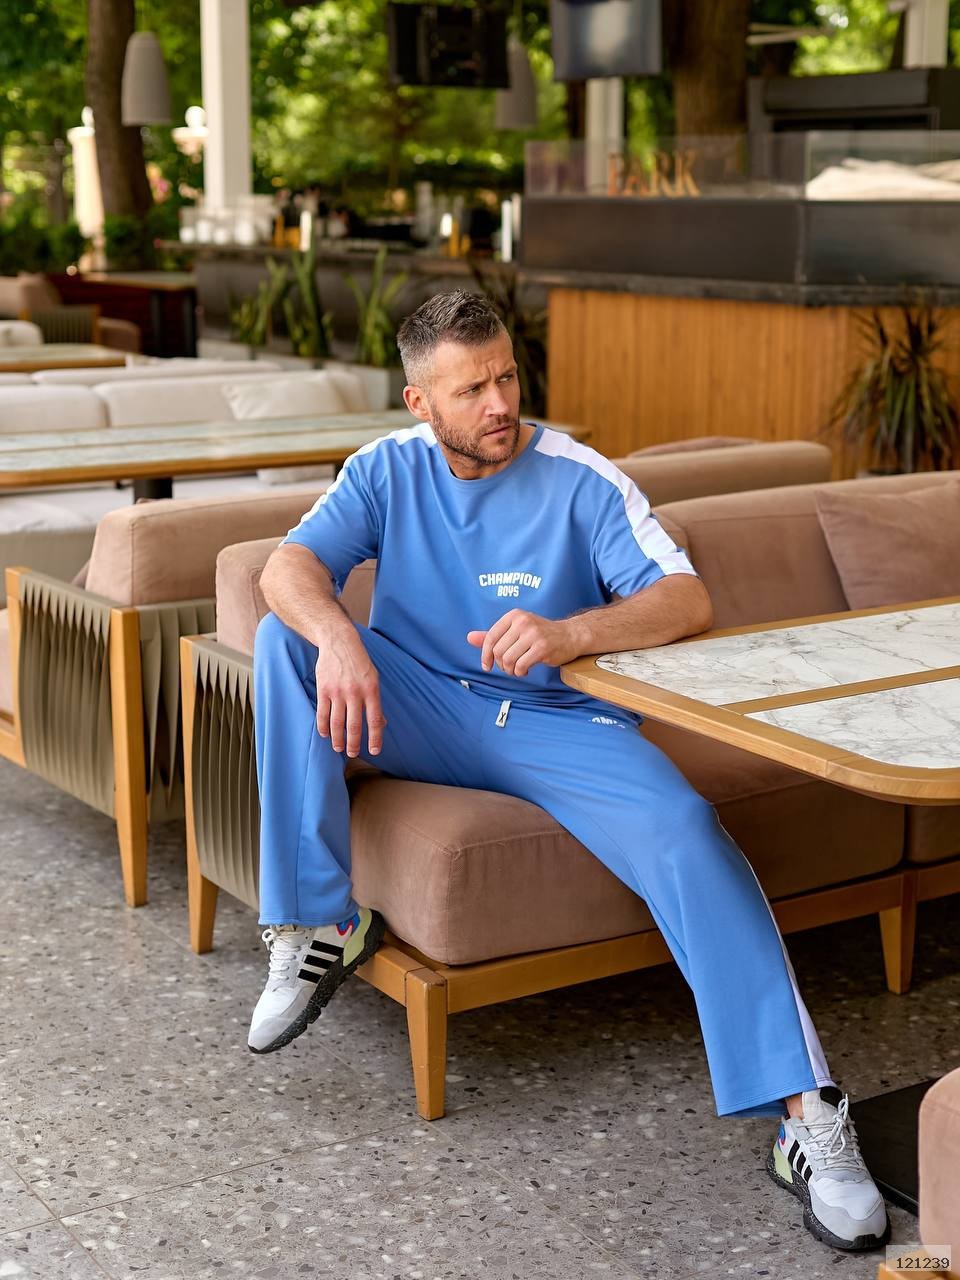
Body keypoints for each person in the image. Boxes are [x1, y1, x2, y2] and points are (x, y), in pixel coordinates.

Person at [248, 290, 889, 1253]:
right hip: (422, 705)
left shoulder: (582, 479)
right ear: (421, 403)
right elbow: (287, 567)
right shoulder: (384, 470)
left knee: (687, 833)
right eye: (471, 390)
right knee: (283, 639)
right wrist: (340, 638)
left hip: (557, 720)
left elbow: (686, 597)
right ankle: (319, 922)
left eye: (507, 377)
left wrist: (570, 632)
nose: (500, 403)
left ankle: (807, 1118)